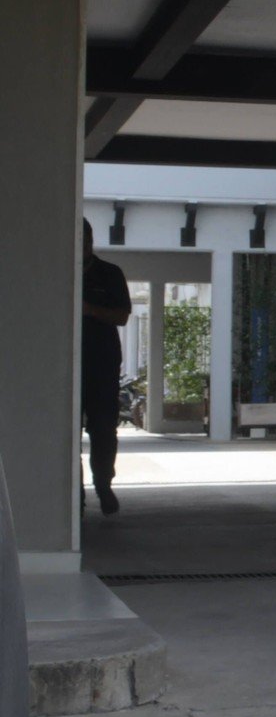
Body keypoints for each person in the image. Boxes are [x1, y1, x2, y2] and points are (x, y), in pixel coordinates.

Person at [81, 220, 131, 516]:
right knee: (66, 434)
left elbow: (122, 316)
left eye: (84, 238)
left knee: (103, 430)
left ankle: (103, 485)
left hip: (102, 366)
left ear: (91, 240)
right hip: (65, 367)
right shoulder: (56, 272)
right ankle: (74, 496)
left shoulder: (110, 274)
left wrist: (90, 310)